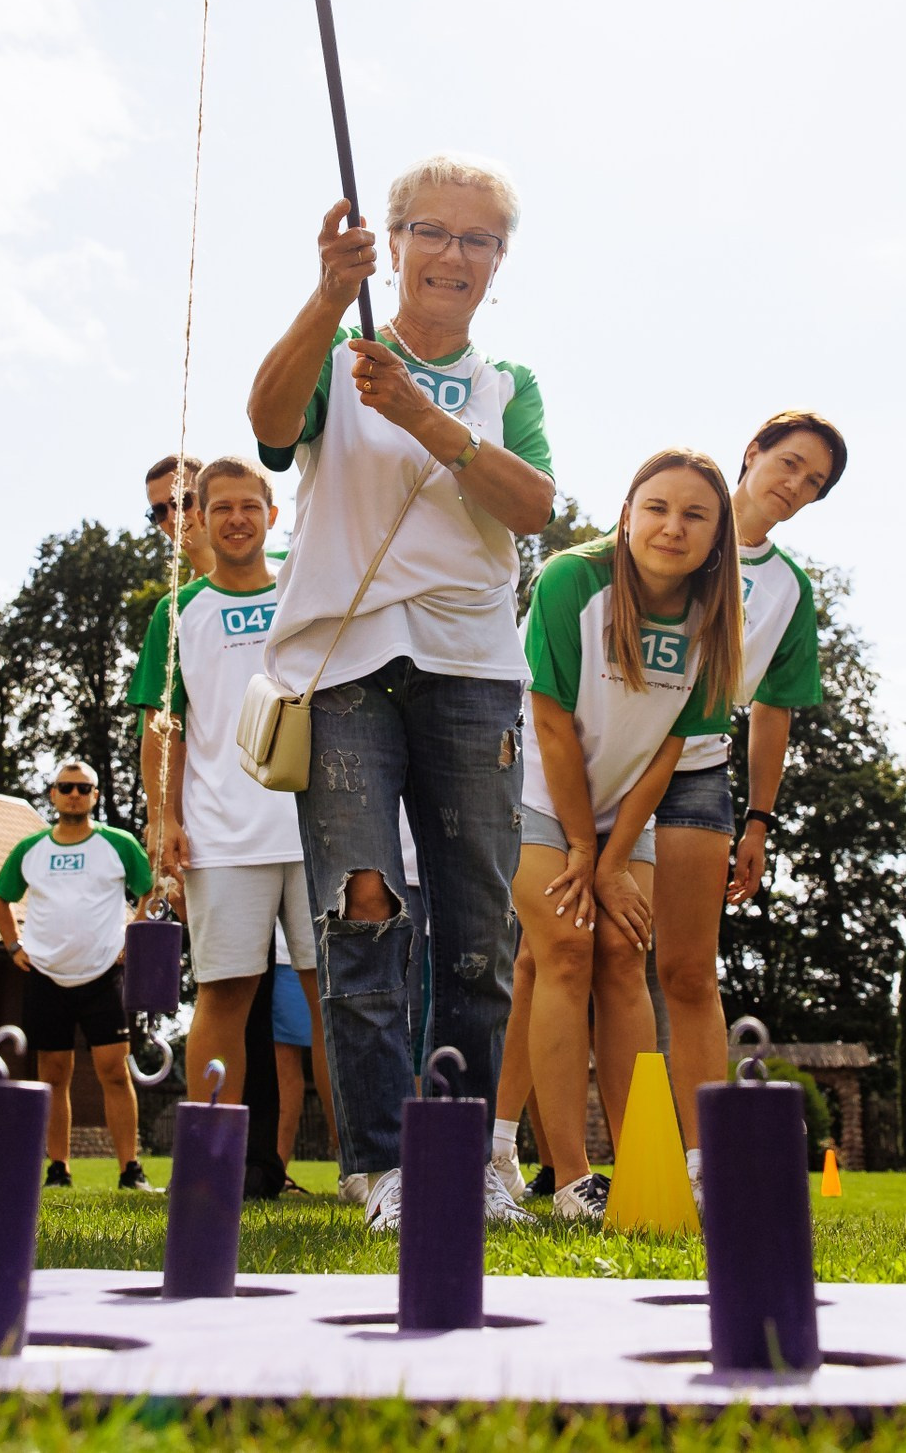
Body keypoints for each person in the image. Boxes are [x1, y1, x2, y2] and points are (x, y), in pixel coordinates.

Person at [247, 154, 555, 1232]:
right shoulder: (344, 358)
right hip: (345, 665)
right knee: (362, 905)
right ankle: (381, 1166)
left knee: (476, 922)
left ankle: (461, 1159)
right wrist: (329, 298)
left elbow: (531, 508)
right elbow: (270, 429)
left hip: (472, 669)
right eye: (432, 233)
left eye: (478, 241)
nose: (453, 257)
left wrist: (427, 418)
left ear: (498, 262)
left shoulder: (508, 385)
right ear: (395, 240)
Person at [509, 451, 741, 1222]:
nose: (672, 527)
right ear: (627, 515)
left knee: (623, 953)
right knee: (566, 948)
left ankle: (642, 1166)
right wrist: (583, 851)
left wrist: (612, 857)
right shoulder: (572, 581)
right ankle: (573, 1179)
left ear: (717, 537)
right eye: (657, 507)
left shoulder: (717, 620)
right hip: (536, 789)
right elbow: (547, 721)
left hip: (622, 810)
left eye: (695, 515)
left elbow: (670, 750)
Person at [632, 410, 844, 1204]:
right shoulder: (676, 527)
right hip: (610, 760)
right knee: (589, 959)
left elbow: (774, 709)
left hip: (699, 773)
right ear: (751, 453)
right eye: (789, 463)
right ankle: (543, 1158)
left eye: (814, 482)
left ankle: (699, 1162)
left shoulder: (787, 588)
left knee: (687, 971)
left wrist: (759, 819)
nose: (795, 485)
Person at [129, 457, 353, 1198]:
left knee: (337, 997)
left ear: (272, 512)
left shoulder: (306, 579)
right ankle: (212, 1163)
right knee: (224, 993)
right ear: (198, 515)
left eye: (248, 505)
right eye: (217, 506)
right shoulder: (176, 610)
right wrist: (164, 816)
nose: (234, 518)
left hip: (321, 824)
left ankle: (368, 1169)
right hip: (224, 833)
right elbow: (164, 724)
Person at [0, 761, 159, 1192]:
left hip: (104, 973)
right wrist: (14, 946)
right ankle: (58, 1170)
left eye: (83, 788)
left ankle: (130, 1171)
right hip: (46, 973)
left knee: (115, 1071)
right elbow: (0, 898)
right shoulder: (30, 849)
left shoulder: (117, 844)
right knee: (53, 1074)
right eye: (66, 787)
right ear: (52, 794)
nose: (74, 794)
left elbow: (150, 888)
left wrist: (134, 936)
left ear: (96, 796)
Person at [270, 927, 334, 1181]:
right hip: (274, 953)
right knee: (281, 1064)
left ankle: (351, 1167)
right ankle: (275, 1169)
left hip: (319, 948)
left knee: (333, 1048)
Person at [146, 454, 214, 581]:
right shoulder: (182, 600)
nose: (173, 518)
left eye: (182, 500)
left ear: (210, 494)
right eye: (159, 511)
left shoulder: (263, 565)